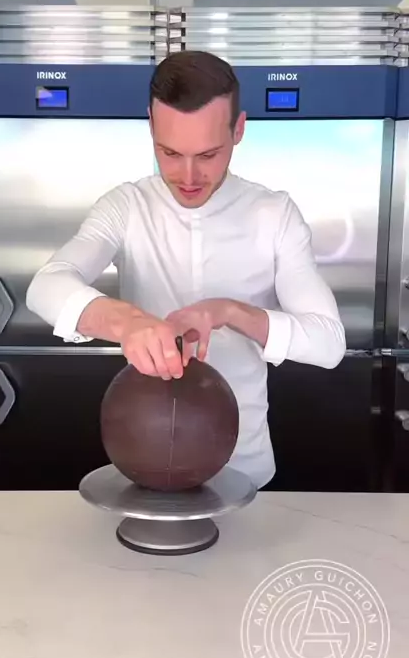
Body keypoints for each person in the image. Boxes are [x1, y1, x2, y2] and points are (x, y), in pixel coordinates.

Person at [26, 50, 346, 488]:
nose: (189, 175)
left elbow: (328, 343)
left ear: (238, 130)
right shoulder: (126, 206)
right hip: (145, 464)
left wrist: (229, 311)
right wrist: (129, 323)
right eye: (170, 152)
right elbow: (46, 286)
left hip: (245, 469)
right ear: (151, 126)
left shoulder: (275, 214)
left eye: (208, 154)